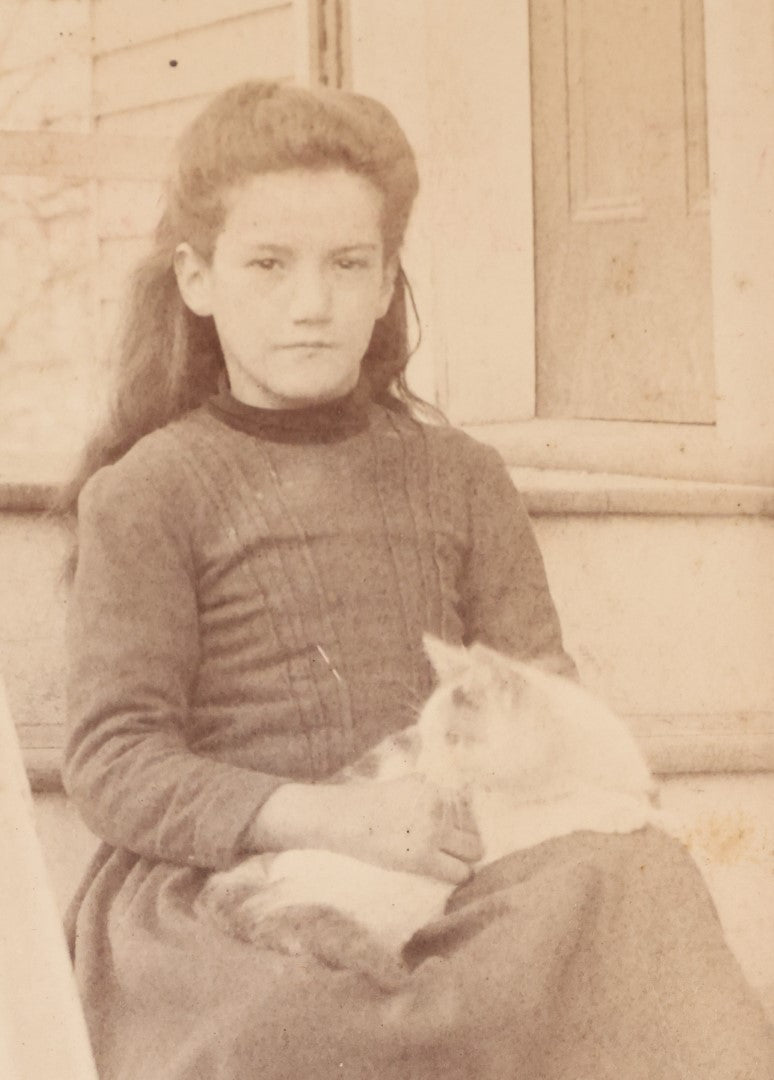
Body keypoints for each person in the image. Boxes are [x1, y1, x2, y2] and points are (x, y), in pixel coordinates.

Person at [60, 80, 772, 1080]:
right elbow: (114, 760)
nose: (312, 303)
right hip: (237, 882)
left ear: (389, 279)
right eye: (268, 264)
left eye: (349, 264)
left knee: (639, 888)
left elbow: (537, 680)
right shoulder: (148, 493)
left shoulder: (460, 475)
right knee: (297, 1024)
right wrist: (333, 820)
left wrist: (482, 805)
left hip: (454, 852)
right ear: (196, 277)